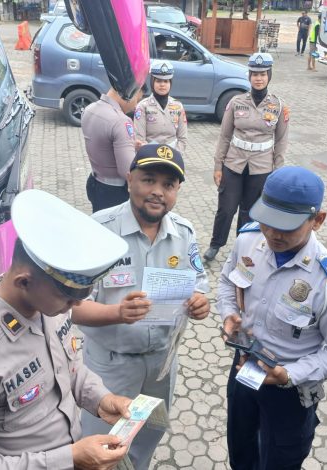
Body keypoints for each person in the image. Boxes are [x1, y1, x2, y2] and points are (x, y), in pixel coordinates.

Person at [0, 189, 135, 470]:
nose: (76, 304)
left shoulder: (49, 308)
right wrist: (70, 458)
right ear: (24, 282)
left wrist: (102, 399)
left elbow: (69, 370)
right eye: (68, 296)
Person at [71, 144, 210, 470]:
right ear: (130, 178)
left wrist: (200, 301)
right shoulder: (99, 231)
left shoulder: (183, 234)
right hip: (110, 368)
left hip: (161, 367)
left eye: (169, 185)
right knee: (101, 451)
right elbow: (70, 307)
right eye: (149, 180)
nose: (158, 192)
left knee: (148, 436)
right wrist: (116, 313)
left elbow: (198, 281)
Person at [218, 166, 327, 470]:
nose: (273, 233)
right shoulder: (248, 241)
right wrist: (229, 314)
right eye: (268, 222)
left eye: (287, 227)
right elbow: (227, 281)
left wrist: (289, 374)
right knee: (241, 448)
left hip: (290, 389)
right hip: (245, 367)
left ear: (318, 220)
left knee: (280, 460)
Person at [204, 52, 290, 262]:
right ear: (249, 76)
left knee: (250, 212)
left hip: (261, 167)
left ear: (269, 75)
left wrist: (277, 173)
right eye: (254, 74)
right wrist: (218, 165)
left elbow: (281, 142)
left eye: (262, 74)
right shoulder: (236, 102)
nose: (258, 78)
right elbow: (224, 136)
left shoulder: (278, 106)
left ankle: (243, 249)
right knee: (226, 208)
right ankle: (216, 244)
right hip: (234, 164)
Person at [82, 84, 145, 213]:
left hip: (96, 182)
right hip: (115, 194)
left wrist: (129, 145)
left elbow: (103, 143)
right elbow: (127, 171)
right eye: (137, 100)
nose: (135, 106)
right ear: (130, 92)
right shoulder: (121, 121)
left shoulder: (90, 109)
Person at [133, 61, 188, 154]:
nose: (162, 84)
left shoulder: (178, 106)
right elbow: (140, 140)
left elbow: (182, 139)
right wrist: (159, 155)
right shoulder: (142, 107)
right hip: (150, 157)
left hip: (173, 158)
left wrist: (173, 156)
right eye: (158, 81)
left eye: (166, 81)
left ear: (170, 83)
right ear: (152, 82)